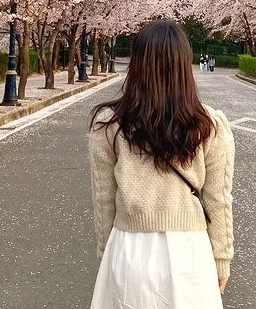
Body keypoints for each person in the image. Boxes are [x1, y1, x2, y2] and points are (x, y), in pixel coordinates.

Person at [89, 19, 235, 308]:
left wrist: (108, 252)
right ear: (184, 66)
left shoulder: (109, 124)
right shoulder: (209, 125)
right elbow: (218, 198)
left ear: (137, 64)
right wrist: (221, 257)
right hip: (190, 254)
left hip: (129, 249)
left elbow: (104, 198)